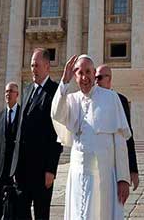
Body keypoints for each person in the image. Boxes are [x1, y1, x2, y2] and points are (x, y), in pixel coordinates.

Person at [51, 55, 131, 219]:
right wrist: (64, 82)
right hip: (77, 171)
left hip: (103, 173)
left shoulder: (110, 98)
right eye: (80, 73)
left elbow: (120, 141)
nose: (84, 77)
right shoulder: (71, 99)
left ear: (94, 74)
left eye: (88, 72)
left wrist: (123, 178)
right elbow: (57, 114)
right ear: (75, 76)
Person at [11, 48, 62, 220]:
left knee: (41, 213)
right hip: (22, 168)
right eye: (32, 65)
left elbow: (57, 134)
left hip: (41, 169)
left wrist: (51, 168)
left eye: (37, 65)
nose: (33, 69)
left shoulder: (54, 92)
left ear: (47, 66)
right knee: (21, 212)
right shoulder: (27, 91)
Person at [95, 64, 139, 190]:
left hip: (114, 162)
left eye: (99, 77)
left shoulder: (120, 100)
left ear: (108, 79)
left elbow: (128, 136)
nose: (95, 81)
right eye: (95, 77)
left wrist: (133, 169)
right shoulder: (90, 99)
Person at [0, 82, 21, 220]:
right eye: (6, 92)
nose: (8, 94)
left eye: (11, 91)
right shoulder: (0, 116)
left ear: (17, 94)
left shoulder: (23, 114)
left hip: (17, 169)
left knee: (16, 206)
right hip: (1, 169)